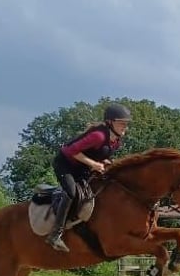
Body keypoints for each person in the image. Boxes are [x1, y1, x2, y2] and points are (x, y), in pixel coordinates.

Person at [45, 102, 132, 252]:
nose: (125, 126)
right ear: (110, 122)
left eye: (126, 123)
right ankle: (55, 234)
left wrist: (102, 162)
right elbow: (70, 151)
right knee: (72, 192)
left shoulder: (116, 141)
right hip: (65, 164)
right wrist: (93, 163)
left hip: (81, 167)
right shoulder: (98, 136)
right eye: (121, 123)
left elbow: (97, 154)